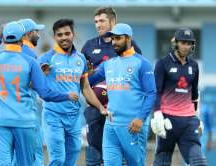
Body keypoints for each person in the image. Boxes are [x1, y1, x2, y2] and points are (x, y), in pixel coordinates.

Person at [0, 21, 78, 166]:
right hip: (24, 122)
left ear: (4, 39)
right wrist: (66, 96)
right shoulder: (30, 62)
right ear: (23, 37)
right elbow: (45, 93)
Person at [38, 18, 108, 166]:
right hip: (53, 115)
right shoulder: (47, 58)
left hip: (74, 117)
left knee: (72, 157)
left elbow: (86, 88)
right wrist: (41, 74)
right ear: (54, 37)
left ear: (73, 34)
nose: (64, 37)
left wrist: (100, 106)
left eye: (67, 33)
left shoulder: (81, 59)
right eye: (59, 35)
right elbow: (35, 85)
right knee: (58, 158)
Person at [89, 23, 156, 166]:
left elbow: (151, 94)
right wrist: (82, 70)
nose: (114, 43)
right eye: (112, 39)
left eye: (118, 38)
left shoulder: (142, 63)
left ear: (128, 39)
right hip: (111, 125)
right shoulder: (108, 64)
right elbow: (87, 81)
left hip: (133, 126)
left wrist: (140, 119)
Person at [81, 6, 142, 165]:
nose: (98, 25)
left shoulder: (130, 46)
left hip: (120, 111)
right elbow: (82, 79)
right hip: (95, 108)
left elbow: (137, 78)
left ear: (113, 22)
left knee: (120, 156)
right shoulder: (88, 46)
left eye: (102, 21)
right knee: (94, 154)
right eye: (96, 21)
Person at [150, 28, 207, 166]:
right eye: (183, 42)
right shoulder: (162, 63)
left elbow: (194, 94)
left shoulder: (194, 65)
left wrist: (196, 116)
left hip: (188, 121)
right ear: (175, 43)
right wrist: (157, 114)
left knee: (198, 161)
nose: (186, 46)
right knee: (162, 161)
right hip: (167, 120)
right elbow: (156, 91)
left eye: (189, 43)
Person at [9, 18, 45, 166]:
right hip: (26, 111)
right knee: (34, 153)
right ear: (28, 34)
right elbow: (35, 85)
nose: (39, 34)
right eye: (36, 31)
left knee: (17, 155)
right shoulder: (29, 54)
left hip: (11, 110)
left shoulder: (11, 53)